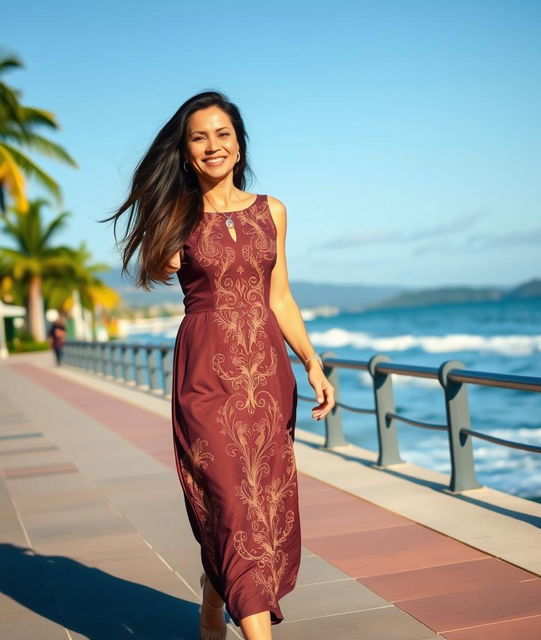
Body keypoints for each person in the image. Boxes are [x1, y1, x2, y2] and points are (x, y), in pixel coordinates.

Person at [100, 91, 335, 640]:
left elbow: (280, 299)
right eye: (199, 137)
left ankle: (213, 604)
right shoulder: (176, 217)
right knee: (231, 499)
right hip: (205, 376)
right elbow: (160, 265)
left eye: (222, 134)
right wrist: (167, 220)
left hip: (266, 378)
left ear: (238, 142)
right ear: (184, 152)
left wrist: (313, 364)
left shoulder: (271, 211)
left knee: (257, 508)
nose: (213, 146)